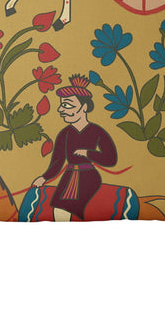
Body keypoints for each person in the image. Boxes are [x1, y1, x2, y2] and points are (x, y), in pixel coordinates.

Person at [31, 74, 117, 221]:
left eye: (67, 105)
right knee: (58, 209)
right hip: (69, 176)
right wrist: (44, 177)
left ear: (84, 107)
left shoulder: (97, 131)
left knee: (65, 208)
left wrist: (88, 153)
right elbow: (57, 162)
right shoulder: (64, 134)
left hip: (88, 176)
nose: (61, 109)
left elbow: (111, 159)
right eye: (61, 105)